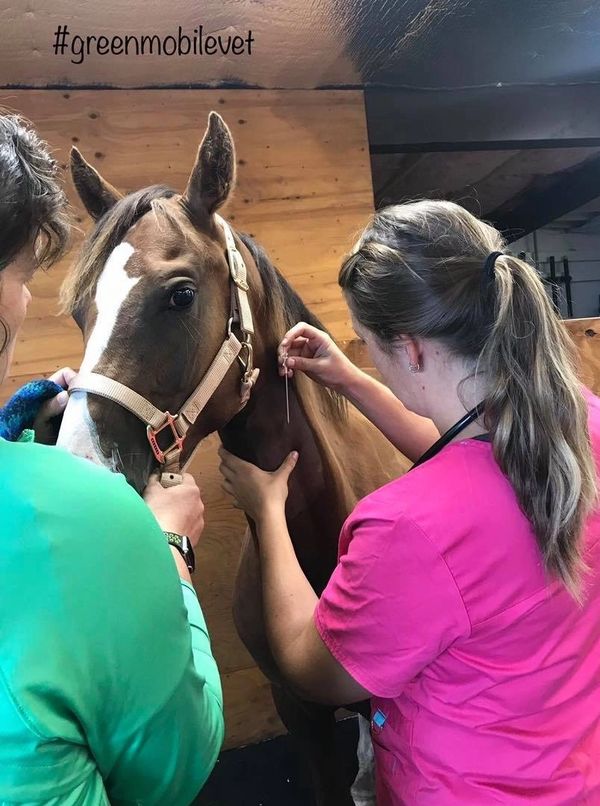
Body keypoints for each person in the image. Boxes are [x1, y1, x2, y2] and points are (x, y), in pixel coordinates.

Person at [219, 200, 600, 804]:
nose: (367, 356)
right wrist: (350, 378)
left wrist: (268, 515)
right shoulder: (578, 420)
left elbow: (313, 670)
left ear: (412, 349)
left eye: (367, 344)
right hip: (575, 766)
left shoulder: (407, 527)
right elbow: (470, 452)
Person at [0, 111, 223, 804]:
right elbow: (176, 764)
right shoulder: (95, 521)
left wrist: (14, 424)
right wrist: (170, 548)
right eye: (22, 273)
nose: (27, 295)